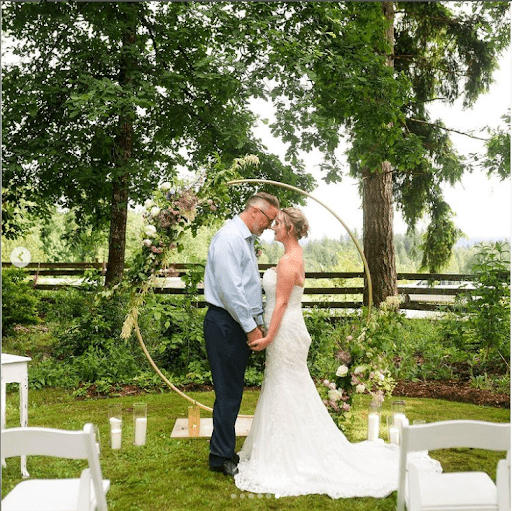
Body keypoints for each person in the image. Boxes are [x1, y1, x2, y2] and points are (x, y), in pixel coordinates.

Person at [235, 208, 441, 498]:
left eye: (278, 223)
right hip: (288, 329)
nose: (273, 227)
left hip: (283, 331)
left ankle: (289, 452)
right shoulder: (296, 256)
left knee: (285, 384)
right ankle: (292, 444)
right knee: (287, 385)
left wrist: (269, 336)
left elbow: (280, 304)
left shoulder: (286, 261)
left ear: (290, 230)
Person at [203, 191, 280, 477]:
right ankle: (221, 456)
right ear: (256, 212)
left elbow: (247, 288)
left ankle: (222, 450)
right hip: (225, 322)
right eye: (269, 220)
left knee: (232, 390)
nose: (270, 226)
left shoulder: (244, 240)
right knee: (227, 391)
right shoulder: (229, 238)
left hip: (235, 321)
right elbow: (230, 290)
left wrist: (256, 321)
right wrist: (251, 327)